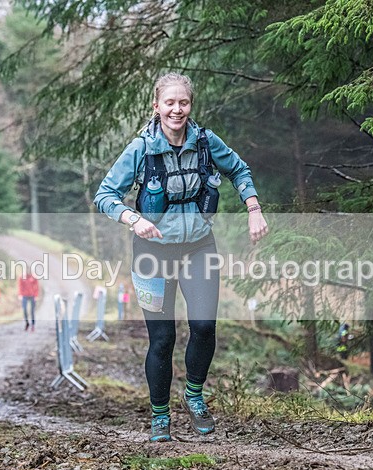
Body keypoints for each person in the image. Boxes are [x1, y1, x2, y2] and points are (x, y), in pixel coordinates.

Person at [94, 72, 269, 442]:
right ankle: (160, 416)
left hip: (198, 247)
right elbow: (105, 195)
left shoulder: (205, 142)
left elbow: (238, 169)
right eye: (169, 103)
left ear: (190, 106)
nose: (177, 109)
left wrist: (253, 208)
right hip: (151, 253)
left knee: (204, 326)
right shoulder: (140, 149)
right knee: (163, 338)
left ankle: (193, 394)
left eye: (183, 103)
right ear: (156, 106)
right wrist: (133, 218)